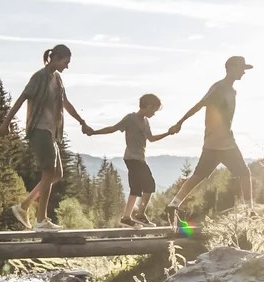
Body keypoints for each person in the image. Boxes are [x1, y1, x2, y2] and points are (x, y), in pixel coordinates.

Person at [1, 45, 91, 230]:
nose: (67, 67)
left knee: (57, 174)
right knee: (49, 172)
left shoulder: (57, 79)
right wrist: (6, 123)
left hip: (51, 132)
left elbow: (65, 103)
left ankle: (24, 206)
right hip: (39, 129)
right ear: (56, 58)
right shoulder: (39, 77)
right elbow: (21, 98)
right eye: (65, 62)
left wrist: (81, 121)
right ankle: (41, 220)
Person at [164, 55, 254, 224]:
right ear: (232, 67)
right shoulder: (219, 88)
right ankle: (250, 212)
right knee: (240, 173)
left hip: (221, 141)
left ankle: (173, 205)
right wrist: (179, 123)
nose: (243, 72)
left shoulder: (232, 90)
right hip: (218, 142)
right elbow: (200, 104)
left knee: (202, 175)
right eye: (242, 68)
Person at [83, 93, 171, 226]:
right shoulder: (130, 118)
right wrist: (94, 132)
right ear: (147, 106)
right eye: (154, 109)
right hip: (132, 158)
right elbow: (113, 128)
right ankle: (140, 215)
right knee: (150, 185)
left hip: (139, 159)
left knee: (136, 188)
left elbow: (151, 139)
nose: (154, 113)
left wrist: (168, 133)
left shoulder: (146, 122)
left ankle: (126, 217)